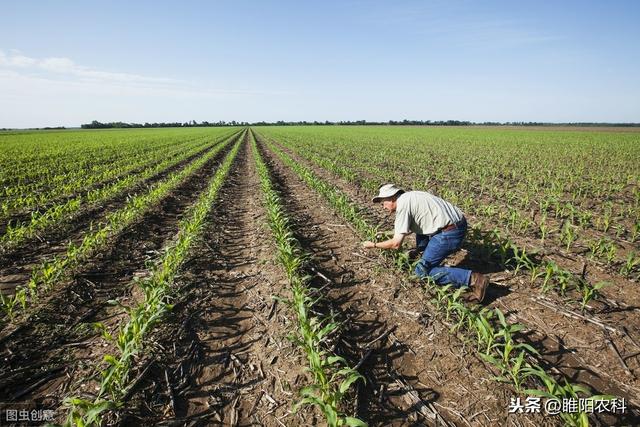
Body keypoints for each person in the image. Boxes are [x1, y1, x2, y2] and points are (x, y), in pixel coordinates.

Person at [362, 183, 489, 302]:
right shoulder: (410, 196)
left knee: (421, 272)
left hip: (449, 233)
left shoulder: (403, 207)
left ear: (391, 198)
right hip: (458, 223)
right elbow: (413, 226)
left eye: (383, 203)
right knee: (420, 233)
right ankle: (421, 253)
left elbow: (396, 244)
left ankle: (474, 280)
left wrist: (373, 245)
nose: (383, 207)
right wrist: (388, 235)